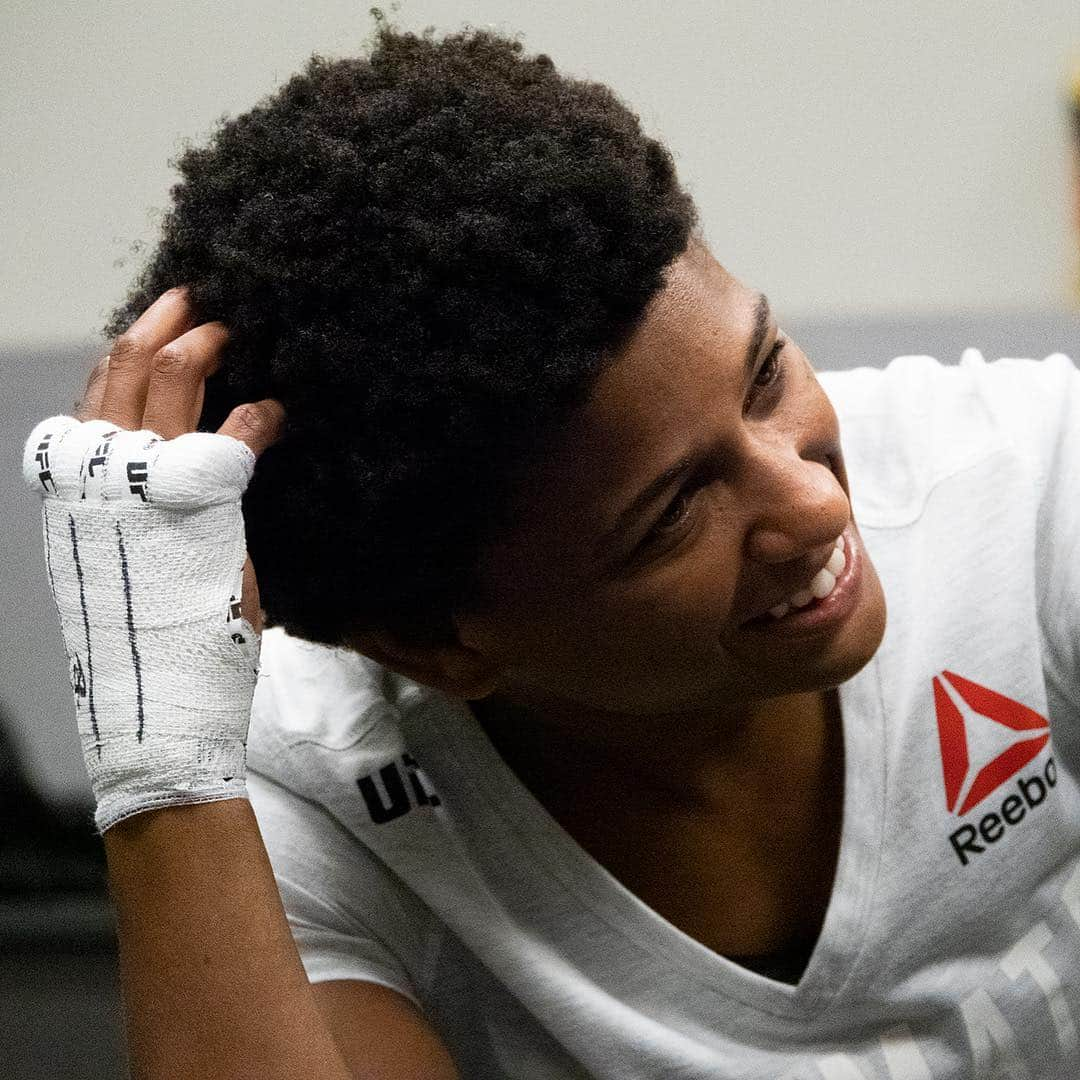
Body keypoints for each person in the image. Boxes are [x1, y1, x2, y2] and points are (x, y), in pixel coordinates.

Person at [21, 23, 1080, 1080]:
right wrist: (158, 763)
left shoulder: (1024, 485)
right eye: (671, 515)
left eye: (764, 376)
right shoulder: (314, 791)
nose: (810, 504)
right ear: (439, 647)